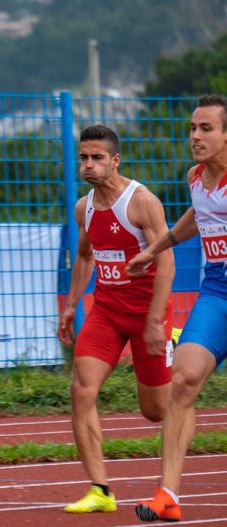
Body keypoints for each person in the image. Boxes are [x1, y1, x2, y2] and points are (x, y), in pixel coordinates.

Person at [57, 125, 175, 514]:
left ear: (115, 160)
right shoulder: (84, 207)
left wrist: (156, 321)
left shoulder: (141, 202)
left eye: (97, 158)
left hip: (147, 316)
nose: (88, 165)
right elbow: (86, 256)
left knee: (155, 411)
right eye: (83, 157)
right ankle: (100, 490)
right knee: (81, 389)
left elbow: (166, 259)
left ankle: (177, 347)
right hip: (106, 312)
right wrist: (73, 304)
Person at [128, 94, 227, 523]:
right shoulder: (195, 178)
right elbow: (197, 215)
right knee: (183, 380)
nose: (195, 137)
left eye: (206, 129)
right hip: (218, 292)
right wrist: (154, 249)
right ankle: (167, 495)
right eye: (192, 128)